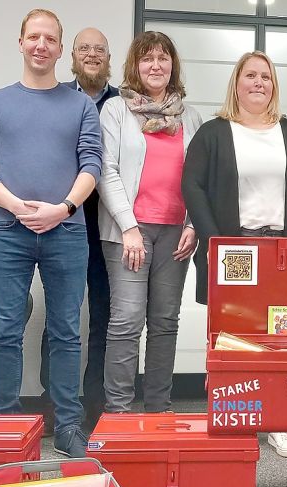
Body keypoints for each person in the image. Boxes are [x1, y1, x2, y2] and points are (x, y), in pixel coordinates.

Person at [0, 9, 102, 457]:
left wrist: (63, 208)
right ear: (21, 42)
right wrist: (17, 207)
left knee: (66, 331)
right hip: (7, 232)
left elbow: (92, 165)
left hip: (67, 231)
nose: (41, 45)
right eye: (34, 37)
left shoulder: (80, 104)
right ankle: (7, 422)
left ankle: (67, 425)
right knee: (6, 329)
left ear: (61, 49)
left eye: (50, 39)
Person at [182, 51, 287, 458]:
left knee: (283, 336)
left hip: (285, 249)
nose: (258, 82)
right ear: (237, 82)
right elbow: (192, 188)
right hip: (236, 248)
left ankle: (282, 423)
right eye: (250, 75)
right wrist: (215, 242)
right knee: (234, 333)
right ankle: (236, 418)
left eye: (266, 76)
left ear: (274, 84)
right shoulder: (213, 132)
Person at [96, 31, 202, 416]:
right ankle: (119, 412)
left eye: (162, 58)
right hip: (128, 232)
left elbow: (199, 176)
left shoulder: (189, 114)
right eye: (147, 58)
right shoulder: (116, 110)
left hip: (175, 231)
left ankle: (159, 409)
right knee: (126, 321)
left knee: (164, 322)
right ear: (134, 65)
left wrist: (193, 223)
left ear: (173, 65)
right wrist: (128, 227)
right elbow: (105, 170)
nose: (155, 65)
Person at [38, 26, 119, 434]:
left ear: (109, 58)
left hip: (108, 227)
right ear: (72, 56)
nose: (91, 55)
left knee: (106, 318)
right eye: (84, 48)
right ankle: (55, 403)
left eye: (99, 50)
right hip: (62, 223)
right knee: (60, 319)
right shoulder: (56, 97)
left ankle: (96, 404)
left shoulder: (125, 105)